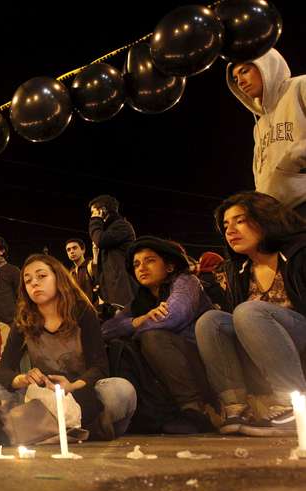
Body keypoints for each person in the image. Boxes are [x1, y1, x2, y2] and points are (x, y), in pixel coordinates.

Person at [0, 254, 136, 440]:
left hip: (81, 392)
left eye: (41, 276)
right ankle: (85, 429)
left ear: (58, 278)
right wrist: (23, 378)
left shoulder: (82, 311)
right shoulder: (24, 320)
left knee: (120, 391)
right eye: (28, 280)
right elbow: (4, 371)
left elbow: (99, 367)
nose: (34, 283)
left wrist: (72, 386)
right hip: (43, 398)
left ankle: (65, 428)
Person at [196, 191, 306, 436]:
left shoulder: (300, 253)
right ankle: (236, 407)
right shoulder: (239, 269)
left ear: (266, 219)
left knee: (248, 311)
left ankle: (292, 403)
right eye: (226, 225)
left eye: (240, 220)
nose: (230, 229)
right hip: (265, 348)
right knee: (211, 321)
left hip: (301, 339)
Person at [102, 237, 215, 434]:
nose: (141, 268)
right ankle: (152, 413)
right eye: (136, 264)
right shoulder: (140, 301)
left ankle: (194, 409)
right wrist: (138, 320)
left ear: (169, 266)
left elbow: (174, 316)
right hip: (168, 372)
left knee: (152, 337)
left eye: (150, 260)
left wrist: (135, 329)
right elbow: (106, 330)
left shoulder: (186, 282)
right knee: (124, 344)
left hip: (202, 364)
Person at [227, 49, 306, 217]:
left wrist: (293, 160)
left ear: (266, 66)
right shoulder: (259, 125)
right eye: (235, 78)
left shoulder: (301, 86)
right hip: (276, 216)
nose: (240, 82)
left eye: (245, 71)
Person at [88, 195, 138, 308]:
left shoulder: (121, 226)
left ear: (103, 210)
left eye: (93, 212)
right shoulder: (110, 229)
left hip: (122, 289)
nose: (91, 216)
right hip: (112, 289)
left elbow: (100, 240)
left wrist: (95, 221)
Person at [65, 238, 96, 303]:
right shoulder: (70, 273)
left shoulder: (91, 265)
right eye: (68, 250)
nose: (71, 251)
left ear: (83, 250)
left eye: (74, 248)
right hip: (79, 310)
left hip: (95, 309)